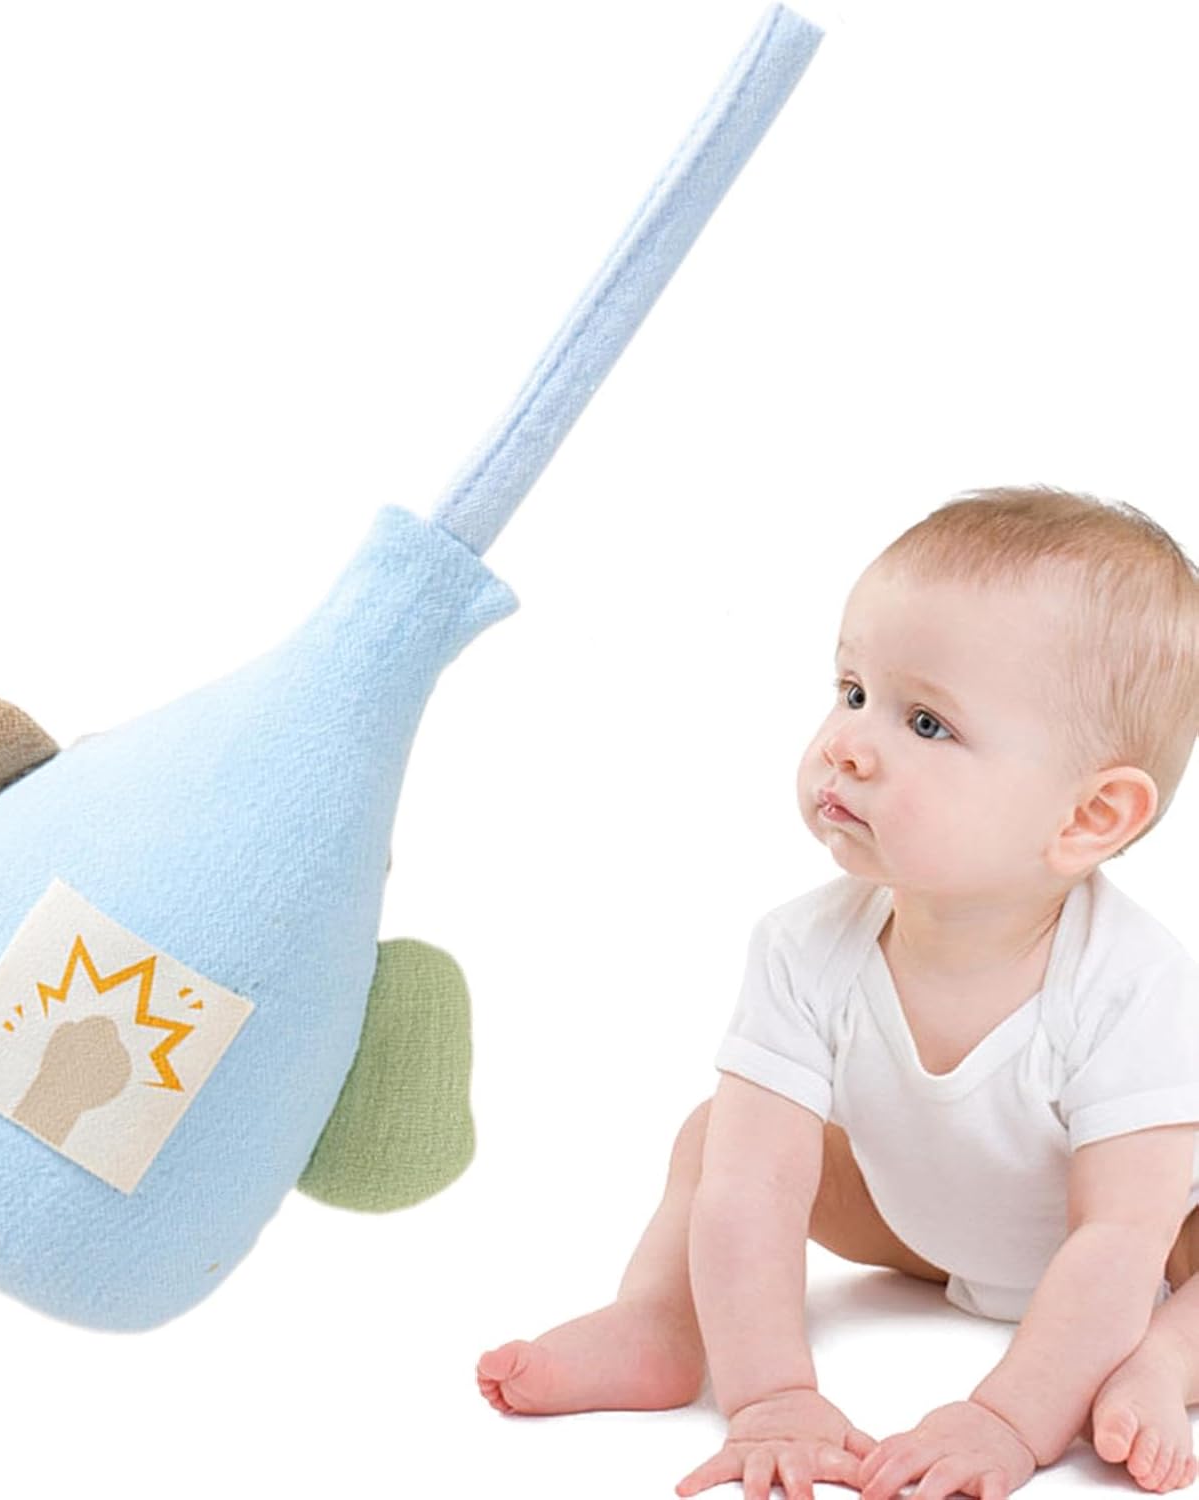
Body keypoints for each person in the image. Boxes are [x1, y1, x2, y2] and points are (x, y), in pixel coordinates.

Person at [476, 485, 1199, 1499]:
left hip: (1155, 1256)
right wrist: (771, 1397)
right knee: (718, 1140)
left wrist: (1004, 1421)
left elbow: (1117, 1238)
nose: (846, 744)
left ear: (1088, 816)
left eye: (925, 722)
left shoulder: (1134, 986)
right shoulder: (802, 947)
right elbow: (751, 1189)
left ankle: (1160, 1363)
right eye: (852, 691)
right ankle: (661, 1320)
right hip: (916, 1223)